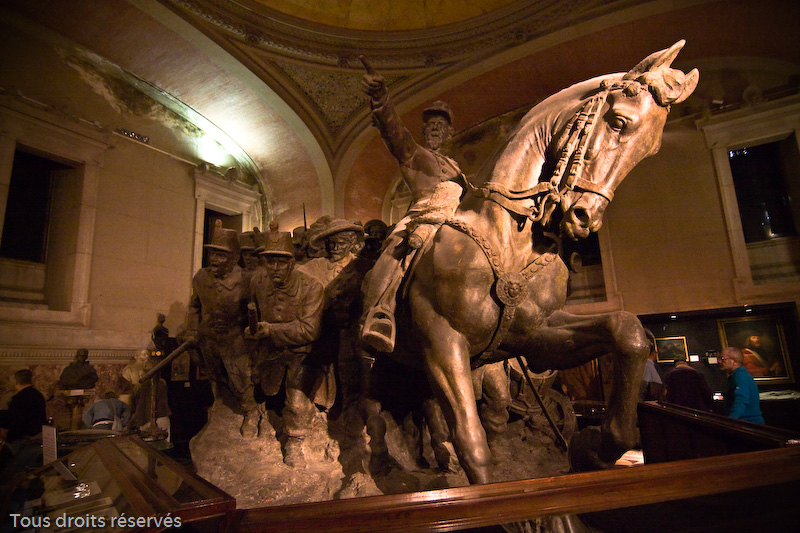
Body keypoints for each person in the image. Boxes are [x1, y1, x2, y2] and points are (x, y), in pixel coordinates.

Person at [359, 56, 464, 353]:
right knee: (395, 251)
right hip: (421, 215)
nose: (434, 129)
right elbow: (393, 131)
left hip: (456, 217)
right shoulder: (414, 153)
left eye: (441, 126)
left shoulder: (457, 168)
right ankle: (380, 313)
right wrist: (381, 99)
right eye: (430, 125)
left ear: (450, 133)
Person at [247, 231, 325, 467]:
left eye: (282, 261)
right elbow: (251, 314)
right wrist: (251, 331)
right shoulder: (257, 283)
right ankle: (256, 419)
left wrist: (270, 330)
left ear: (292, 262)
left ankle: (296, 441)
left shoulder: (311, 287)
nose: (276, 267)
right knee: (255, 386)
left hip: (301, 355)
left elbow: (310, 330)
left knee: (297, 401)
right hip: (269, 353)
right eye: (270, 261)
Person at [182, 220, 256, 437]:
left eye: (221, 255)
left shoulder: (246, 280)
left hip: (235, 341)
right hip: (209, 339)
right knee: (215, 377)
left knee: (241, 379)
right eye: (213, 254)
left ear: (233, 258)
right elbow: (195, 306)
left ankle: (251, 413)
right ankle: (222, 407)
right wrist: (191, 329)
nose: (214, 260)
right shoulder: (201, 278)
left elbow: (256, 312)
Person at [0, 369, 47, 451]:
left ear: (16, 381)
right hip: (37, 435)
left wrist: (8, 439)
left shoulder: (19, 399)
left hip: (23, 439)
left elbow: (17, 422)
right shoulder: (38, 395)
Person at [719, 346, 765, 424]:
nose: (719, 361)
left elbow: (741, 400)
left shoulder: (740, 377)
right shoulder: (736, 375)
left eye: (723, 359)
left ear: (734, 361)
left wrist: (730, 422)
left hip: (749, 425)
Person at [640, 331, 663, 401]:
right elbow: (644, 383)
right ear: (653, 353)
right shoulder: (647, 365)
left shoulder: (648, 364)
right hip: (650, 399)